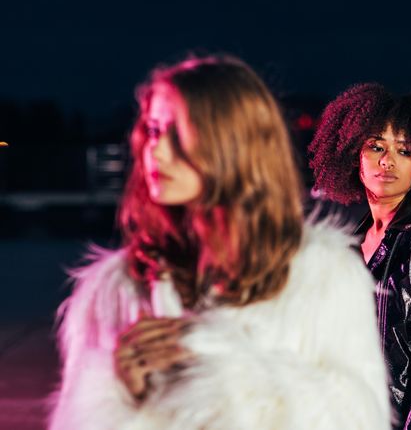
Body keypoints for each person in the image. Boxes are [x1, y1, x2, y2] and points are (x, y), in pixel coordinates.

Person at [49, 56, 390, 430]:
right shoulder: (118, 285)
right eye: (153, 130)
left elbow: (359, 416)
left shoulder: (322, 274)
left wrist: (232, 374)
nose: (156, 151)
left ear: (234, 143)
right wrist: (120, 394)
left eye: (178, 133)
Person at [309, 83, 411, 430]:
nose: (387, 161)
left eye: (405, 151)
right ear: (353, 154)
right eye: (376, 147)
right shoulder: (352, 243)